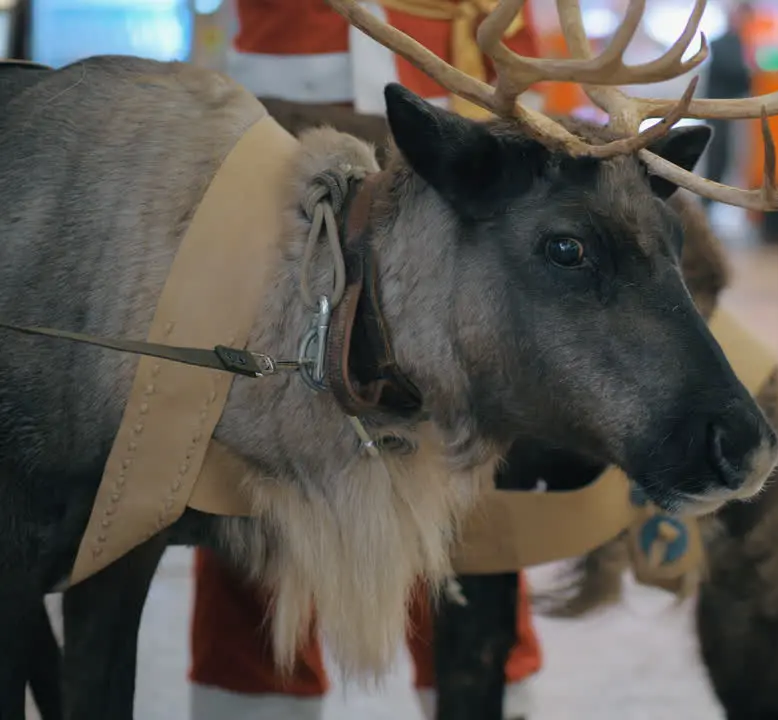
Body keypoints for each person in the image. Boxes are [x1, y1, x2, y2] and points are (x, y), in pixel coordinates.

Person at [189, 2, 545, 718]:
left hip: (470, 121)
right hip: (285, 117)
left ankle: (481, 691)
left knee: (465, 469)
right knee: (260, 464)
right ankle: (257, 694)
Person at [703, 2, 754, 203]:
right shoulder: (719, 43)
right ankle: (708, 200)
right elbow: (734, 71)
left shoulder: (745, 43)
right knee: (717, 155)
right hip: (718, 110)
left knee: (734, 156)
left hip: (736, 110)